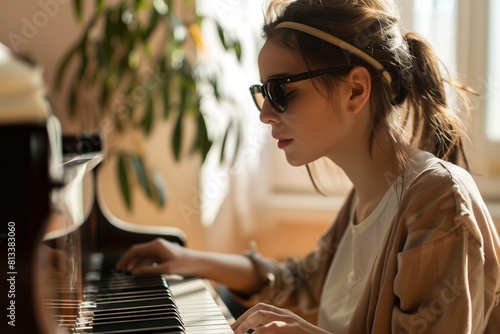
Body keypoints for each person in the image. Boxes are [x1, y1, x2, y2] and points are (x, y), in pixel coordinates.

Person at [116, 0, 500, 332]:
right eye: (262, 92)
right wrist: (189, 258)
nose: (266, 114)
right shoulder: (367, 195)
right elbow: (300, 284)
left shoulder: (439, 199)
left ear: (355, 90)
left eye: (281, 90)